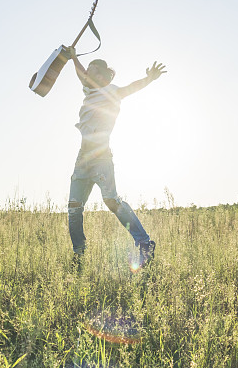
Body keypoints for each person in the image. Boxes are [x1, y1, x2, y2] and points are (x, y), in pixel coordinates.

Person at [65, 46, 166, 269]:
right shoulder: (89, 91)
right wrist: (73, 58)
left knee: (111, 201)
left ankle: (144, 243)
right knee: (74, 207)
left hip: (101, 157)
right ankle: (79, 254)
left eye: (91, 71)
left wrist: (148, 79)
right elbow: (81, 72)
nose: (86, 75)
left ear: (100, 75)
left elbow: (131, 88)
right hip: (82, 158)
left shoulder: (111, 91)